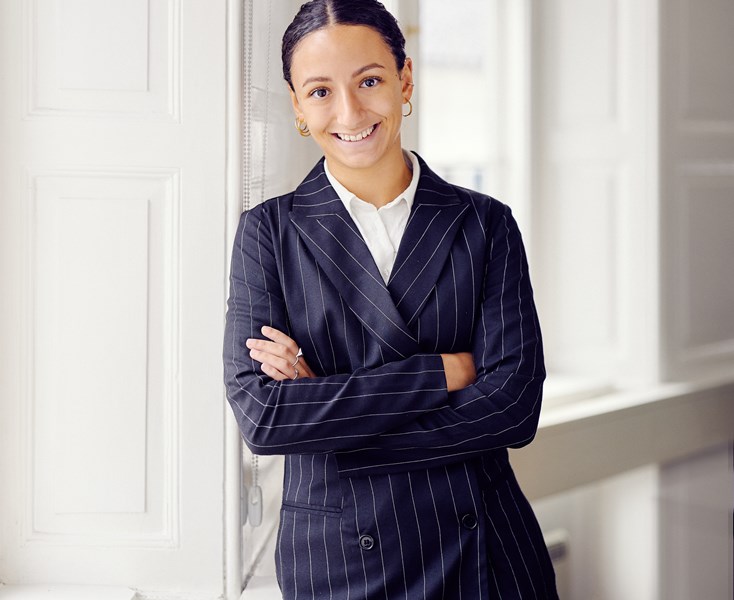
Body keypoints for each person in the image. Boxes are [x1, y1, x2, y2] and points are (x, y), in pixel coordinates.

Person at [223, 1, 558, 598]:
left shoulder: (485, 224)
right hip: (341, 560)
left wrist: (326, 418)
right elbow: (267, 418)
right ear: (298, 106)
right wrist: (442, 372)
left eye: (370, 81)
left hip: (483, 556)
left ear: (405, 79)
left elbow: (512, 407)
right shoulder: (268, 233)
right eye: (320, 91)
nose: (349, 112)